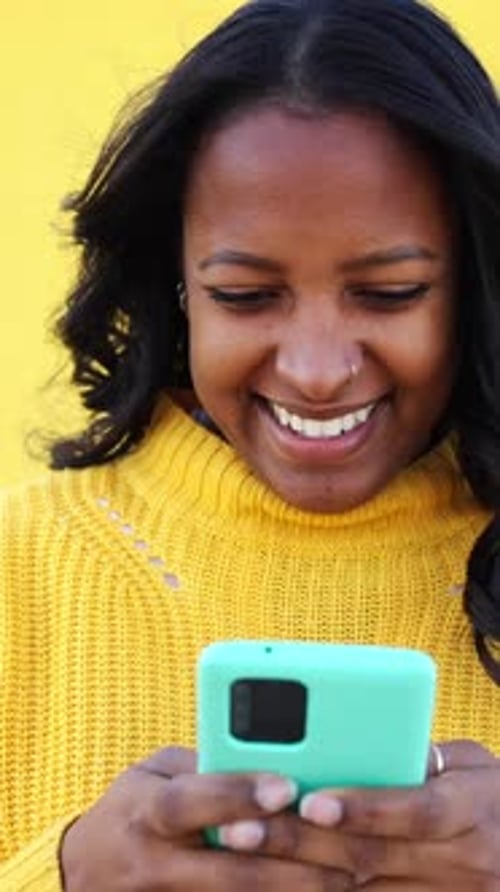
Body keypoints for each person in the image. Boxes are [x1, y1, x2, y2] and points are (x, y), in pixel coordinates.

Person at [1, 0, 500, 887]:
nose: (314, 370)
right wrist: (70, 874)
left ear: (474, 288)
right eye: (245, 295)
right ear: (179, 286)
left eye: (389, 293)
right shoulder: (23, 566)